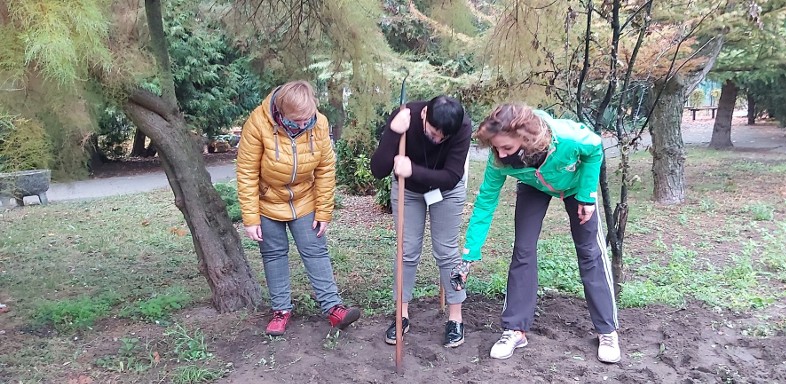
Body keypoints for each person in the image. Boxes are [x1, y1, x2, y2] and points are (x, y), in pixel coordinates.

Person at [456, 102, 621, 363]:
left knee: (590, 252)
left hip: (576, 186)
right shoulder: (500, 159)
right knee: (523, 249)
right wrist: (469, 254)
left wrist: (588, 195)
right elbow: (485, 203)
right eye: (496, 147)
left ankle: (607, 331)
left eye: (507, 147)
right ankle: (515, 329)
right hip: (534, 186)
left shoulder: (566, 137)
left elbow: (594, 146)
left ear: (527, 138)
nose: (501, 153)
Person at [237, 80, 360, 336]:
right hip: (267, 201)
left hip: (304, 199)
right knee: (274, 255)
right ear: (281, 114)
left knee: (315, 250)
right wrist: (250, 218)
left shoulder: (320, 123)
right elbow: (247, 172)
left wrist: (324, 211)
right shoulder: (257, 123)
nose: (304, 125)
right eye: (297, 121)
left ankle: (333, 308)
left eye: (308, 119)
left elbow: (326, 169)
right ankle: (281, 310)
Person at [370, 95, 472, 348]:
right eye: (433, 133)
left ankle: (455, 319)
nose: (437, 140)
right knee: (407, 251)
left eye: (442, 138)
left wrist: (413, 169)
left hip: (446, 190)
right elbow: (378, 169)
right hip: (408, 190)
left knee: (447, 251)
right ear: (424, 114)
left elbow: (451, 176)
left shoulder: (462, 126)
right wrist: (394, 132)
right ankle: (400, 315)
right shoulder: (404, 115)